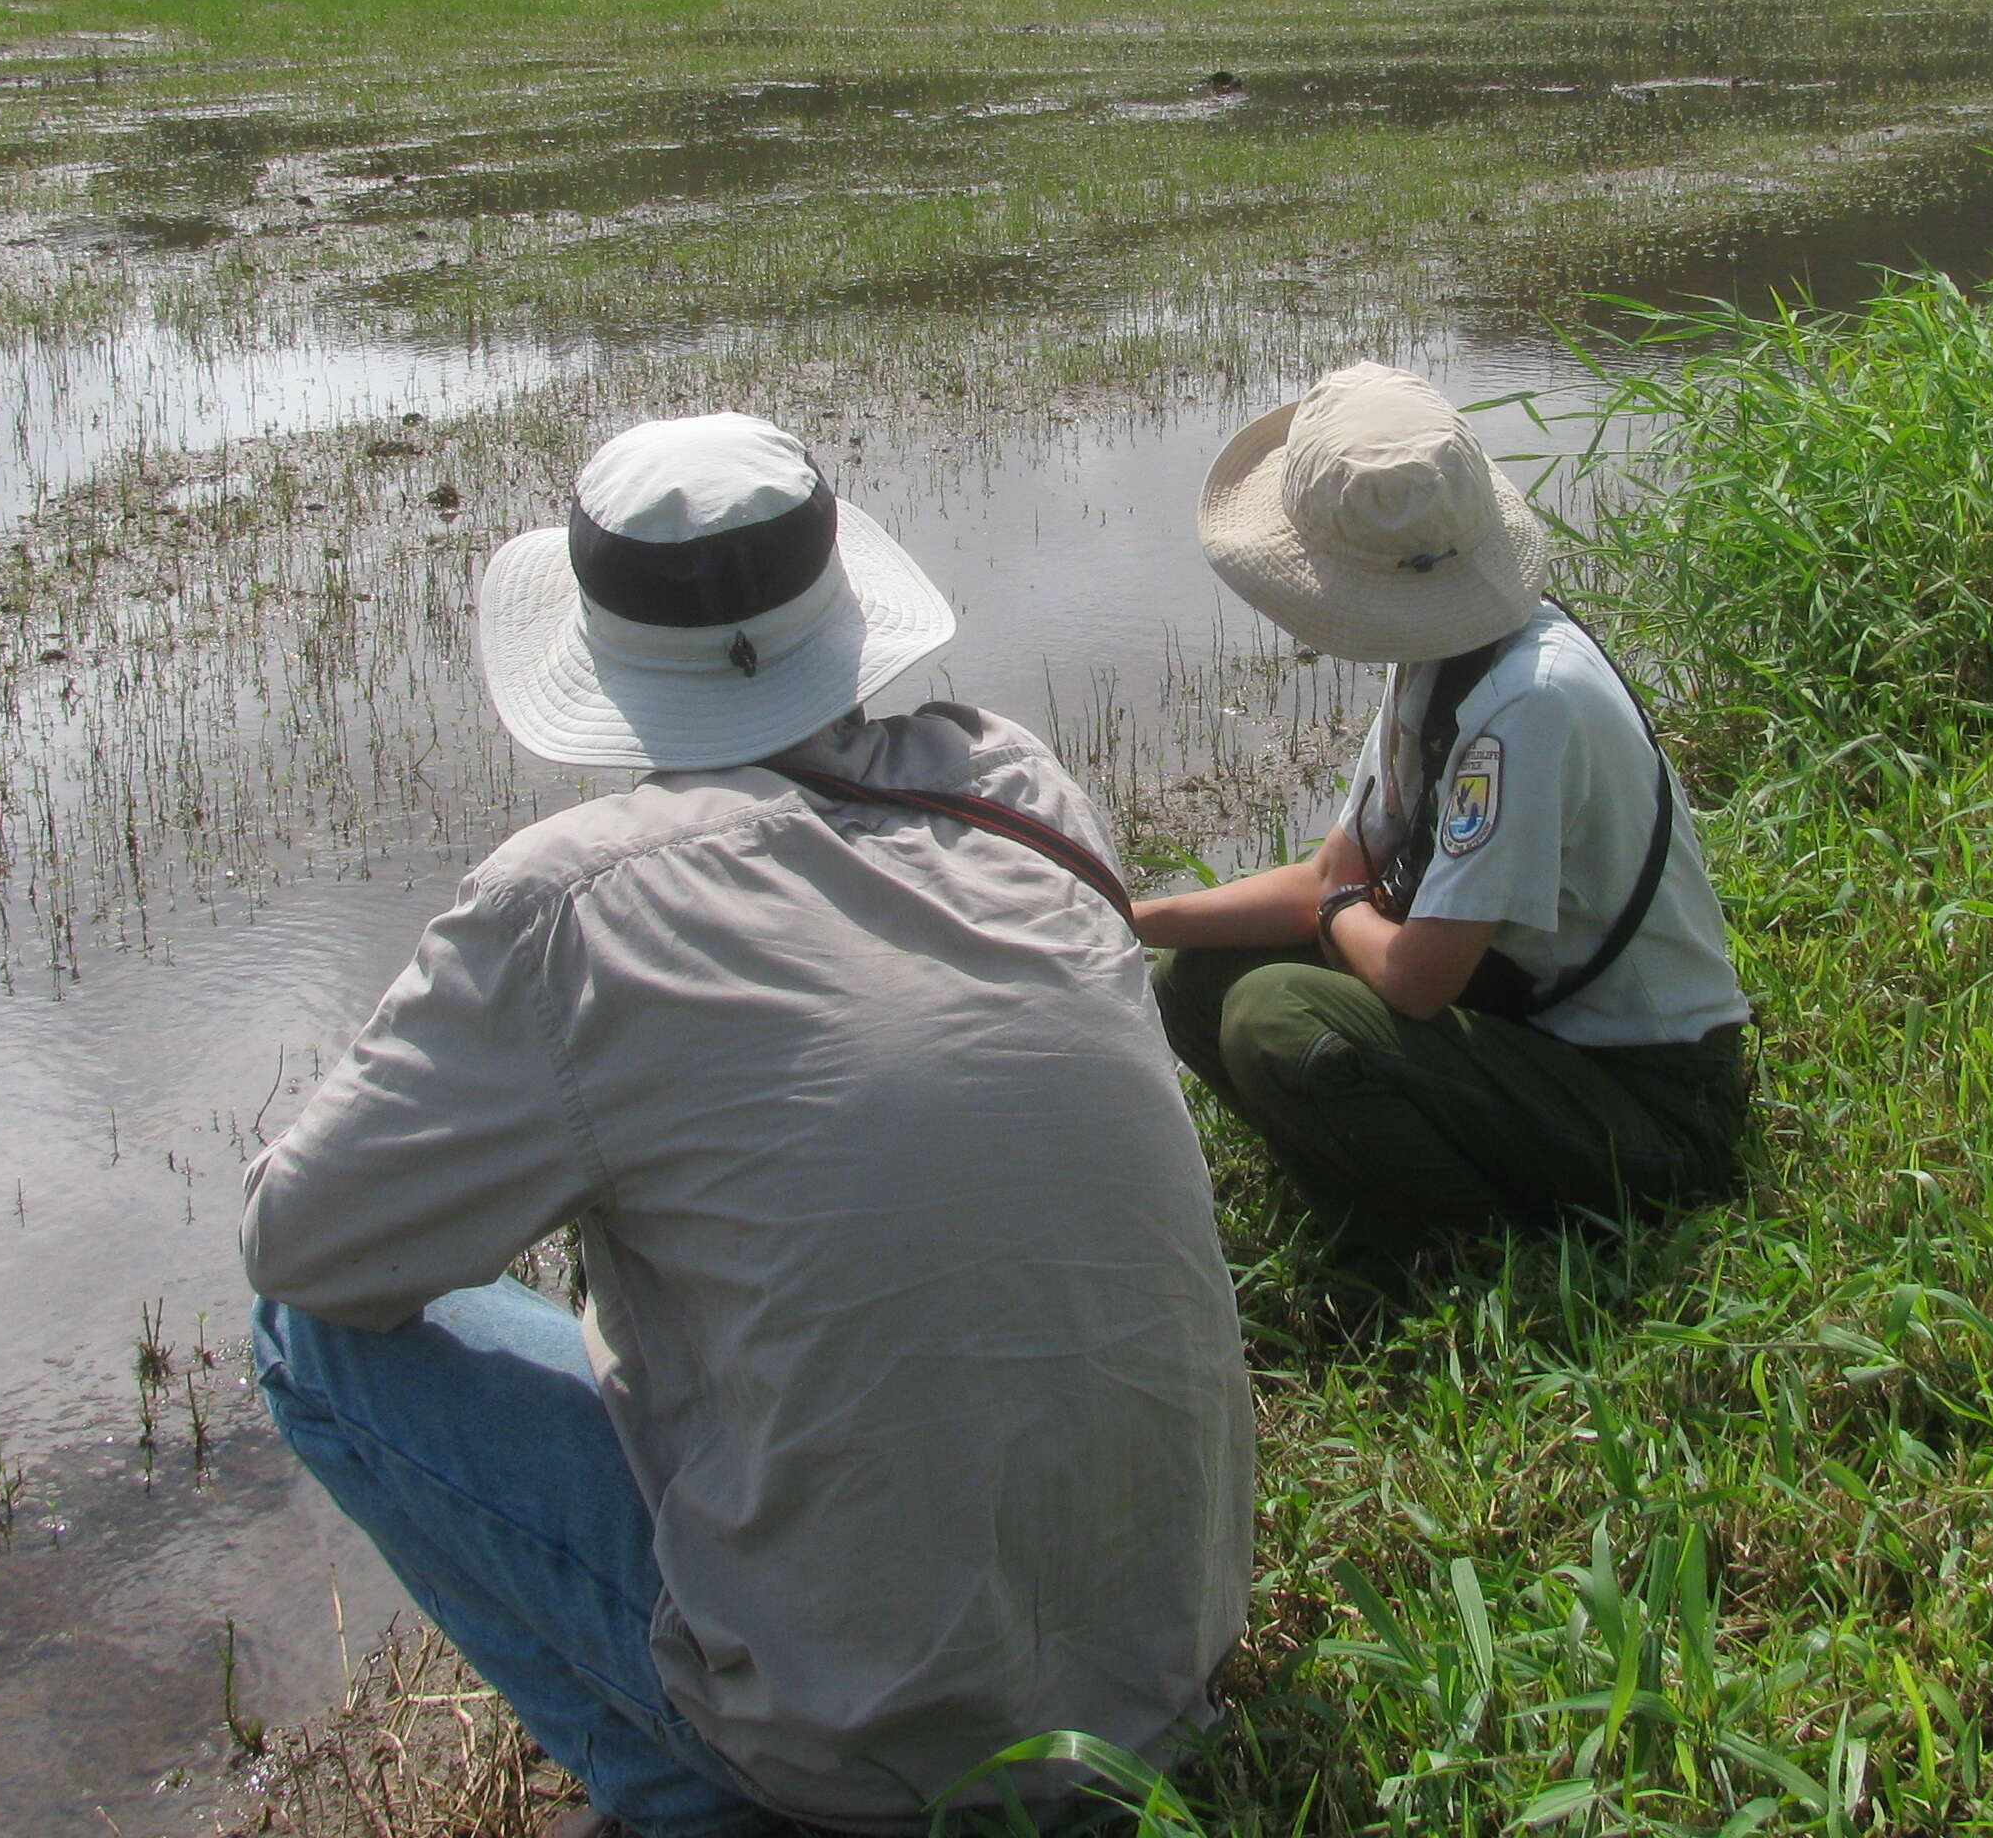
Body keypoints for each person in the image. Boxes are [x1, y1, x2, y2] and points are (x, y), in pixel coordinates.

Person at [242, 412, 1253, 1838]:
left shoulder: (566, 911)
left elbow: (304, 1248)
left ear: (604, 654)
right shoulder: (1014, 780)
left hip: (886, 1754)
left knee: (306, 1343)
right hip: (1163, 1676)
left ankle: (697, 1797)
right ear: (839, 601)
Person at [1132, 361, 1751, 1282]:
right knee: (1193, 975)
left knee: (1277, 1015)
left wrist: (1344, 903)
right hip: (1529, 1037)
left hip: (1651, 1106)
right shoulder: (1440, 656)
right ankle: (1374, 1184)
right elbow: (1334, 875)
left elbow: (1418, 978)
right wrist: (1127, 916)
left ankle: (1442, 1253)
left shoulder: (1530, 701)